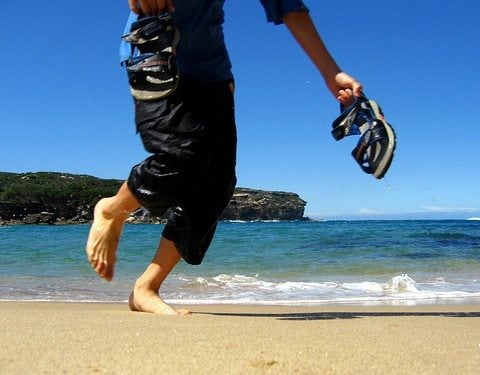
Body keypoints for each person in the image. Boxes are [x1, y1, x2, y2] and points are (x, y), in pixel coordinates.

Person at [86, 0, 363, 315]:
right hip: (156, 45)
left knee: (216, 184)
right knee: (182, 151)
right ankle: (111, 210)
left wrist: (332, 73)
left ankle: (146, 288)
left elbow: (290, 7)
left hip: (211, 70)